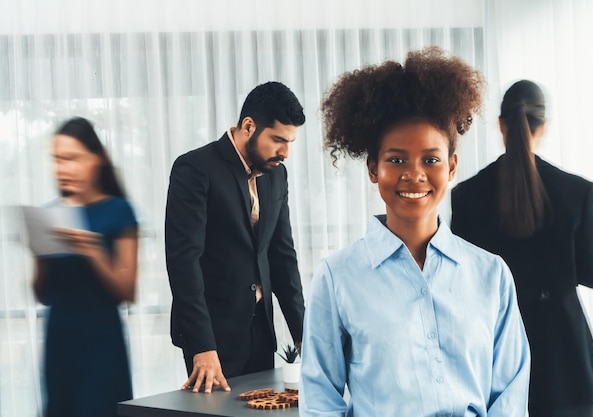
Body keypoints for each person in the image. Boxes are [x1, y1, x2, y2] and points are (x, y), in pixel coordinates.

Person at [300, 47, 531, 417]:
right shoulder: (337, 278)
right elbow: (320, 402)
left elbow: (510, 396)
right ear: (373, 168)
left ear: (452, 166)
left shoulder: (492, 275)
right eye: (395, 160)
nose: (414, 174)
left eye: (431, 159)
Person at [451, 80, 593, 417]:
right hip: (565, 360)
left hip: (496, 353)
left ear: (501, 125)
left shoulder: (467, 195)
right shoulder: (578, 192)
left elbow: (460, 282)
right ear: (544, 127)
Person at [165, 81, 306, 394]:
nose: (285, 152)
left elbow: (282, 257)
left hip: (260, 330)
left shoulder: (276, 174)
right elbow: (183, 263)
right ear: (248, 126)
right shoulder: (195, 168)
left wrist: (304, 335)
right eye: (278, 140)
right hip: (212, 337)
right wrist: (202, 346)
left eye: (290, 142)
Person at [32, 117, 138, 417]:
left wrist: (92, 251)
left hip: (102, 343)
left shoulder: (119, 210)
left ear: (97, 159)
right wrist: (39, 254)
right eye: (57, 160)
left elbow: (127, 291)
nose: (62, 168)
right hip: (59, 340)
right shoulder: (51, 214)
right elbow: (42, 294)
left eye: (72, 159)